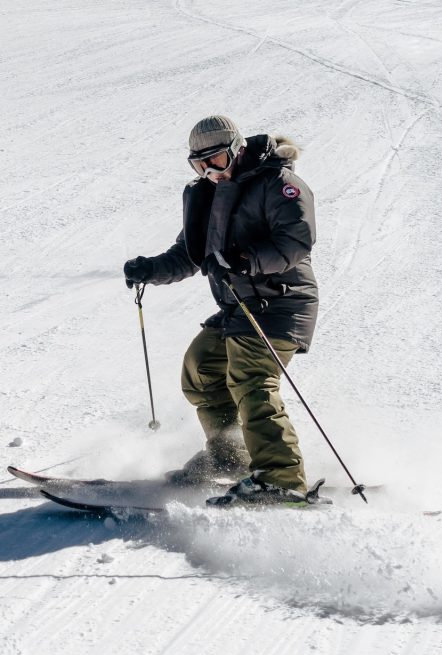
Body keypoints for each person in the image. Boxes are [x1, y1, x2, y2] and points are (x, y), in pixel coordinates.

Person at [124, 115, 319, 505]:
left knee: (250, 379)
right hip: (238, 307)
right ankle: (231, 456)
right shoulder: (208, 193)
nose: (208, 171)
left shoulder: (276, 183)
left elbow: (297, 240)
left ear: (236, 149)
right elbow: (189, 253)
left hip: (279, 302)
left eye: (214, 160)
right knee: (201, 370)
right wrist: (151, 269)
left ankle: (281, 478)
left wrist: (246, 259)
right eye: (199, 164)